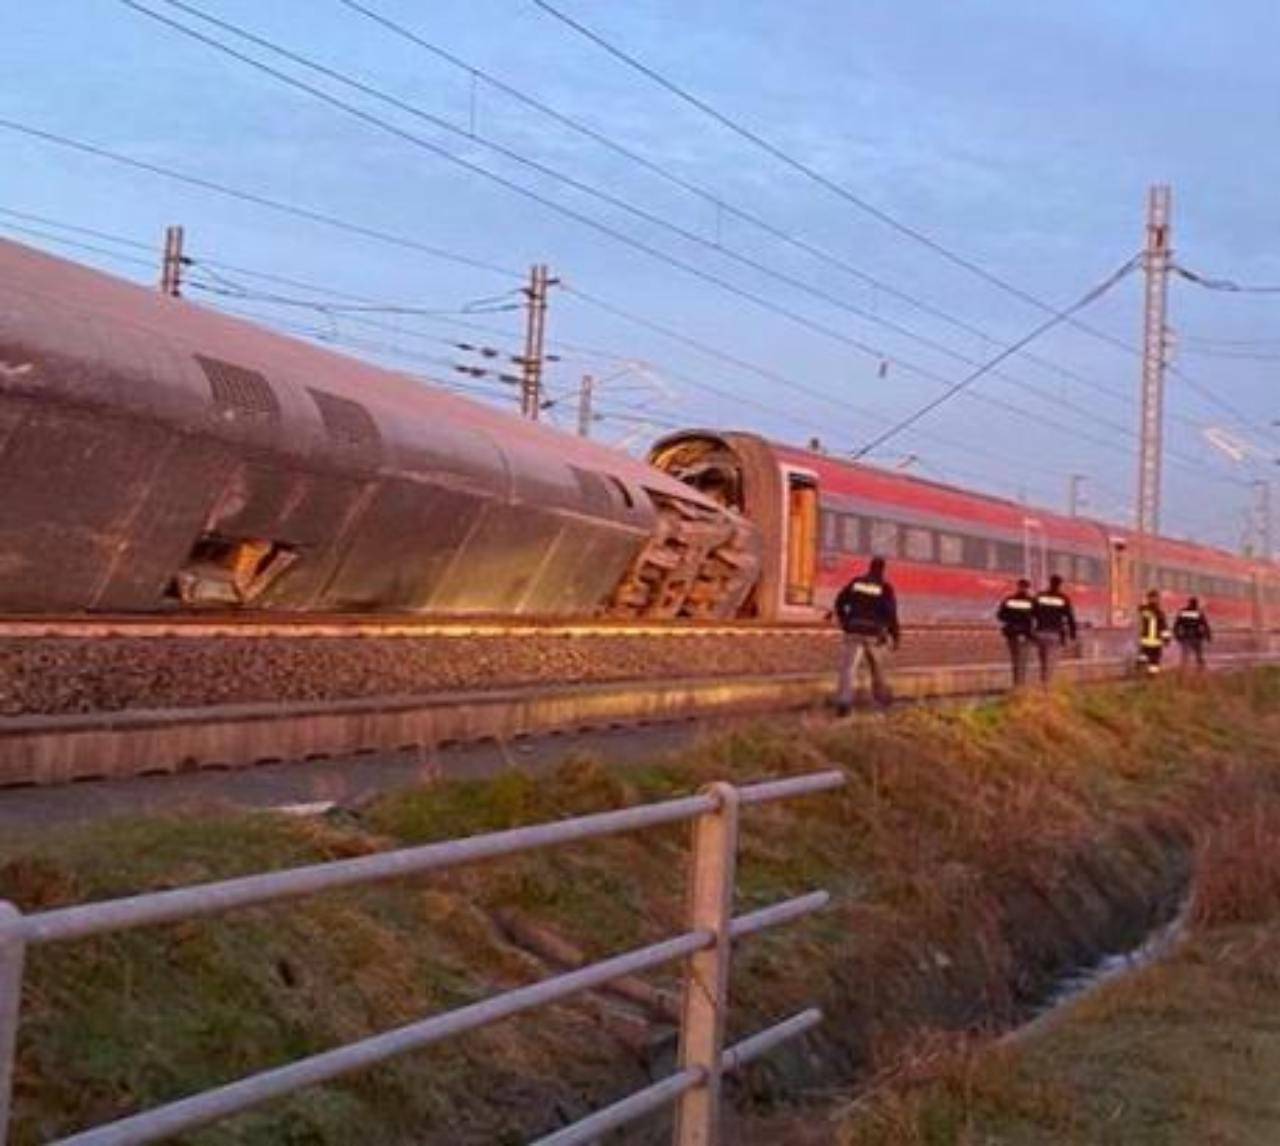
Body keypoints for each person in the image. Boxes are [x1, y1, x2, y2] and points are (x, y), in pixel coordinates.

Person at [833, 555, 900, 715]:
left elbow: (839, 601)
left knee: (848, 668)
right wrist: (895, 636)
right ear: (883, 570)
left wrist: (845, 621)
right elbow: (891, 615)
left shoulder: (856, 583)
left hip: (854, 630)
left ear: (869, 568)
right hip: (873, 634)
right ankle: (880, 702)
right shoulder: (885, 588)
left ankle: (844, 702)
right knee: (877, 669)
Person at [1031, 574, 1077, 685]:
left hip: (1040, 632)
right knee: (1050, 663)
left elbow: (1031, 614)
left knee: (1042, 661)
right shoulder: (1063, 598)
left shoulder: (1040, 596)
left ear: (1049, 582)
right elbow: (1070, 618)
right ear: (1060, 584)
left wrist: (1031, 631)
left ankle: (1043, 682)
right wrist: (1072, 635)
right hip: (1054, 635)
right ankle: (1046, 688)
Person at [997, 578, 1036, 687]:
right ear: (1028, 588)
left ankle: (1017, 683)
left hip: (1012, 633)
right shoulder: (1032, 601)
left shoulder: (1009, 600)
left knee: (1015, 659)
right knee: (1023, 659)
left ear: (1018, 586)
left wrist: (1012, 618)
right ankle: (1021, 683)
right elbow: (1037, 616)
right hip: (1025, 633)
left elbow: (1000, 616)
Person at [1137, 589, 1172, 676]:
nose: (1154, 600)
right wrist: (1167, 640)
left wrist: (1145, 602)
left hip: (1147, 641)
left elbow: (1140, 608)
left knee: (1146, 658)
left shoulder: (1145, 610)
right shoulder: (1159, 613)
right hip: (1155, 641)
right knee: (1153, 661)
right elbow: (1164, 628)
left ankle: (1143, 674)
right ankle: (1150, 676)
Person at [1173, 597, 1212, 671]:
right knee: (1199, 655)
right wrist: (1208, 636)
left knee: (1185, 655)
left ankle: (1183, 668)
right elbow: (1205, 625)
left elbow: (1177, 625)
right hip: (1196, 637)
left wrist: (1177, 636)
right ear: (1196, 604)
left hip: (1185, 636)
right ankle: (1200, 668)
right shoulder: (1198, 612)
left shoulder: (1183, 612)